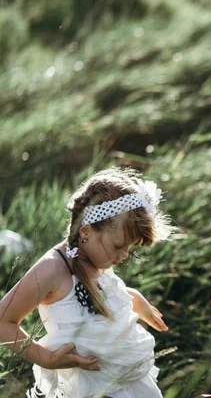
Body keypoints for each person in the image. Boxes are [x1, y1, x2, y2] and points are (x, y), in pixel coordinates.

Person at [0, 168, 175, 397]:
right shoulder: (52, 268)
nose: (123, 255)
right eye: (118, 246)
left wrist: (132, 298)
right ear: (86, 231)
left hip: (123, 379)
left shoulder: (94, 259)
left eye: (128, 248)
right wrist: (48, 359)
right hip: (87, 386)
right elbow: (3, 322)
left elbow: (93, 300)